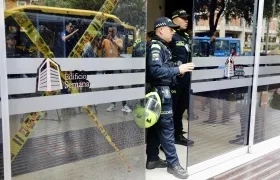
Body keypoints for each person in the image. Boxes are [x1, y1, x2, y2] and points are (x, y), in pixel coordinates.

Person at [146, 17, 195, 179]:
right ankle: (174, 164)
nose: (173, 31)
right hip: (160, 92)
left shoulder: (161, 46)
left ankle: (152, 159)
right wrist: (177, 69)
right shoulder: (155, 47)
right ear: (161, 30)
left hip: (159, 92)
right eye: (170, 29)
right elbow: (156, 71)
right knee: (167, 129)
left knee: (154, 126)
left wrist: (176, 68)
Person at [169, 9, 198, 146]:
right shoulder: (171, 36)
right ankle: (171, 136)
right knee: (171, 110)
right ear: (174, 19)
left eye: (187, 18)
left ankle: (178, 133)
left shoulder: (185, 36)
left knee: (181, 108)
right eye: (183, 18)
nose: (187, 20)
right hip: (174, 79)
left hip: (186, 79)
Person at [98, 27, 132, 113]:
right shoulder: (105, 41)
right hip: (108, 66)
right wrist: (99, 40)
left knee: (120, 86)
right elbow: (99, 48)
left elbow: (120, 48)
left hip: (117, 66)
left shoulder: (119, 40)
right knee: (110, 86)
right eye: (109, 31)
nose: (110, 32)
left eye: (112, 31)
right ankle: (113, 105)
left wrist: (112, 40)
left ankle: (124, 105)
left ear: (115, 31)